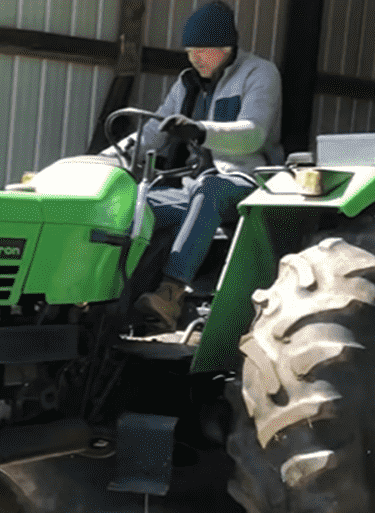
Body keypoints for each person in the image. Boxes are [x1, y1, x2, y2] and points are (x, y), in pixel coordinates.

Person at [109, 1, 283, 332]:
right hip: (194, 183)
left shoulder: (260, 73)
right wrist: (108, 156)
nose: (194, 58)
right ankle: (115, 303)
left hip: (245, 180)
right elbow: (152, 132)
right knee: (138, 205)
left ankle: (170, 294)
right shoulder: (186, 82)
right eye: (190, 51)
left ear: (226, 47)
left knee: (210, 188)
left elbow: (253, 134)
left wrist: (200, 131)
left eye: (202, 50)